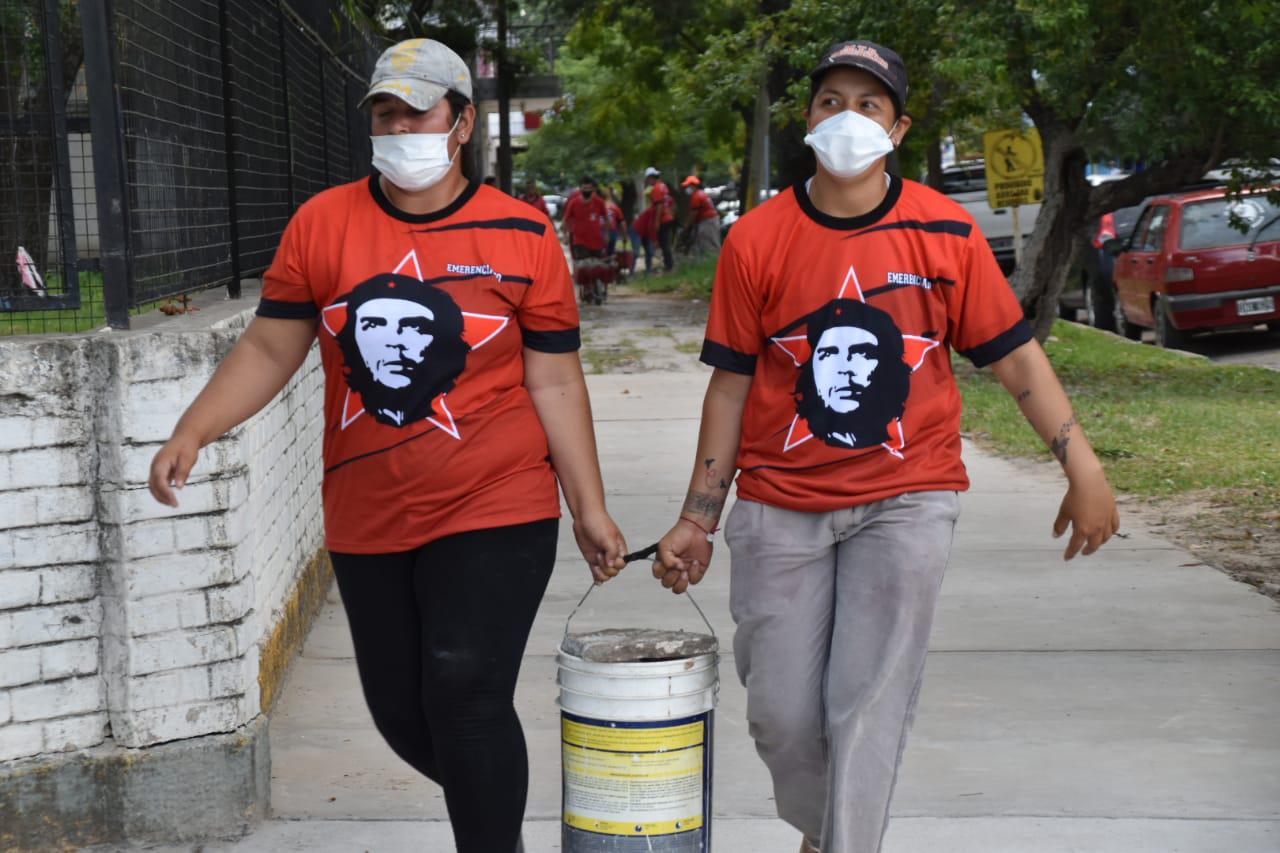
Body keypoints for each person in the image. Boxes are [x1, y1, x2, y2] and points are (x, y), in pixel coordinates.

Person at [147, 38, 627, 853]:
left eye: (418, 112)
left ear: (461, 123)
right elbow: (270, 346)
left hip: (497, 499)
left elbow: (554, 380)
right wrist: (194, 428)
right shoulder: (323, 224)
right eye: (385, 112)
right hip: (367, 511)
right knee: (404, 713)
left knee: (465, 688)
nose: (400, 127)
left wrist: (589, 506)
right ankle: (495, 818)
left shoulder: (520, 232)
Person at [650, 39, 1119, 853]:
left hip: (908, 501)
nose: (848, 118)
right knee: (781, 715)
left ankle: (845, 842)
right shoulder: (756, 239)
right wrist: (698, 516)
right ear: (807, 119)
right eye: (831, 101)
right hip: (780, 505)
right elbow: (730, 385)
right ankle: (827, 830)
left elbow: (1013, 357)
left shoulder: (944, 230)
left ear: (897, 130)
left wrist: (1082, 464)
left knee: (866, 706)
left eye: (869, 105)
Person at [561, 174, 608, 261]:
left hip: (596, 241)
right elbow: (565, 220)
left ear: (593, 189)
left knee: (597, 266)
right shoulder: (574, 203)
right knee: (584, 265)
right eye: (584, 188)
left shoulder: (599, 202)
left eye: (589, 188)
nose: (587, 190)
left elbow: (606, 218)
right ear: (581, 189)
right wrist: (565, 235)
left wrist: (606, 234)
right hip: (579, 241)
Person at [644, 166, 676, 271]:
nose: (647, 181)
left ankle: (669, 266)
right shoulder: (663, 186)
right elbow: (670, 202)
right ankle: (669, 264)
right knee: (666, 242)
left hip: (663, 219)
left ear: (651, 178)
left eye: (648, 179)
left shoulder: (656, 189)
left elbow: (659, 206)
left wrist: (657, 222)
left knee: (664, 243)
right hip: (668, 217)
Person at [681, 174, 721, 255]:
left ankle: (713, 258)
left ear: (693, 185)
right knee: (708, 241)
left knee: (709, 243)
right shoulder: (701, 193)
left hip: (708, 221)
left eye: (688, 186)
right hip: (709, 220)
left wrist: (686, 225)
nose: (686, 188)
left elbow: (693, 213)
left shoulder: (696, 196)